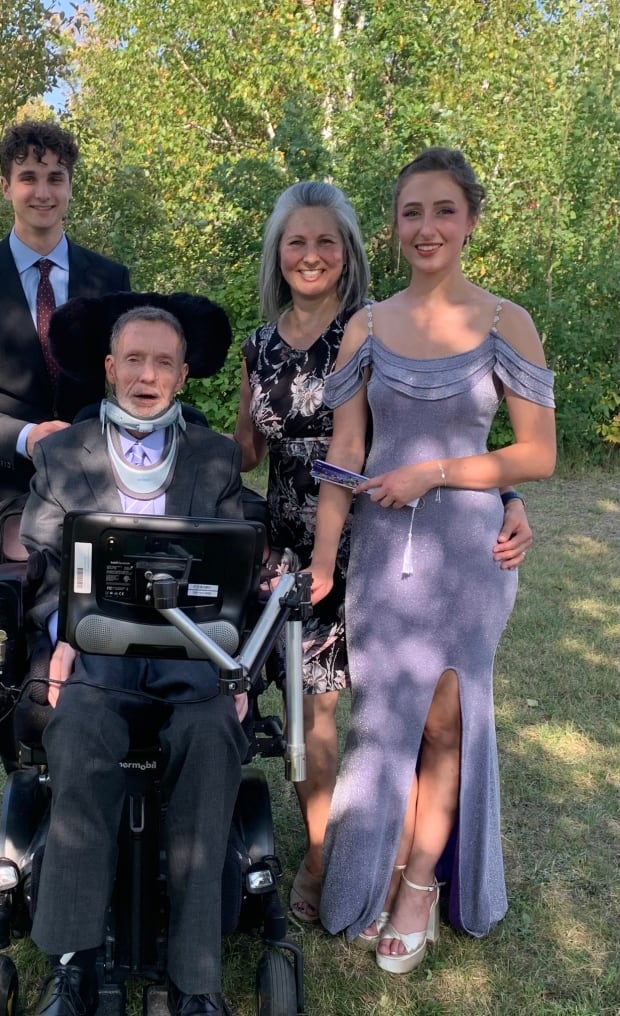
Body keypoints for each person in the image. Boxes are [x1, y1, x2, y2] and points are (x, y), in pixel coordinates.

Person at [232, 181, 534, 924]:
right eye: (296, 242)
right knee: (305, 714)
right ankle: (333, 854)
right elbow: (244, 450)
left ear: (350, 252)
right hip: (291, 544)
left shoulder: (371, 329)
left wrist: (508, 498)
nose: (310, 255)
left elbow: (435, 428)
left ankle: (344, 865)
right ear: (278, 252)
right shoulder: (261, 344)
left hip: (374, 532)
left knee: (359, 713)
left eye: (326, 241)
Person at [308, 147, 556, 973]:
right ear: (395, 222)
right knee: (383, 718)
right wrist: (322, 558)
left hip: (468, 556)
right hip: (383, 553)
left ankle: (420, 885)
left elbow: (536, 455)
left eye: (444, 211)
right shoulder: (367, 325)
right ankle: (365, 873)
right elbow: (345, 449)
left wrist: (437, 472)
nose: (426, 228)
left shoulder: (504, 322)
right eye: (412, 212)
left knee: (447, 717)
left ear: (471, 220)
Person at [19, 301, 247, 1016]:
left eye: (163, 363)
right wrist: (59, 635)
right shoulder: (63, 453)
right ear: (111, 367)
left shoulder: (215, 456)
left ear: (182, 376)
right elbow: (42, 565)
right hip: (97, 653)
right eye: (134, 360)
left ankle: (195, 979)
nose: (147, 375)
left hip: (190, 655)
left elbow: (235, 559)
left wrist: (234, 659)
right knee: (81, 739)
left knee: (212, 742)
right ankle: (74, 962)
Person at [0, 119, 131, 554]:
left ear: (71, 187)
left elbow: (128, 384)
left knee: (91, 623)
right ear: (6, 186)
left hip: (94, 493)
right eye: (28, 178)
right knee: (4, 622)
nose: (43, 192)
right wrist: (27, 437)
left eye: (55, 178)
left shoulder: (111, 279)